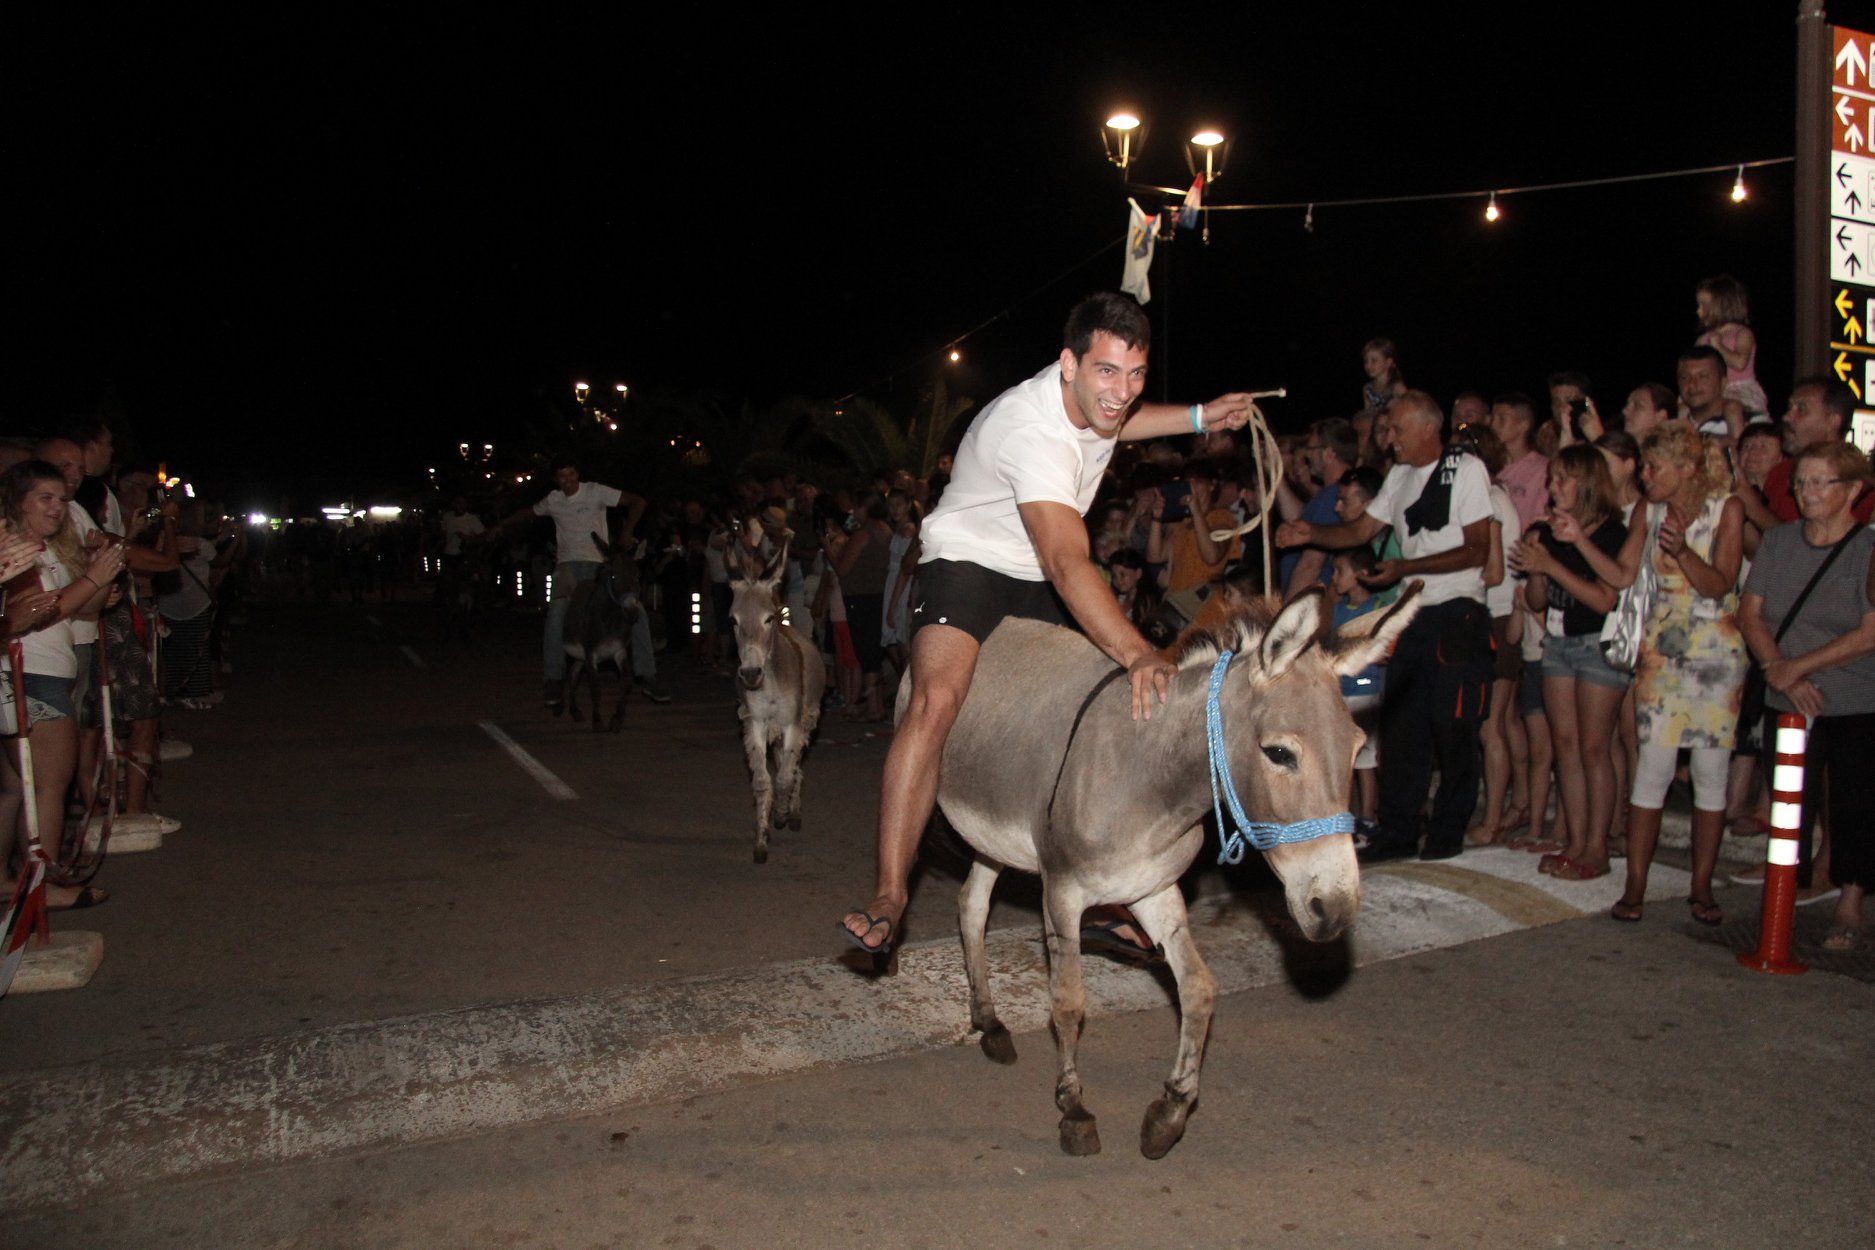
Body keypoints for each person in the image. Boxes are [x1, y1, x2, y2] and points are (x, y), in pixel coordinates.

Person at [838, 292, 1252, 953]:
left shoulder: (1101, 402)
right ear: (1068, 363)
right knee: (934, 703)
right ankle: (891, 891)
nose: (1121, 392)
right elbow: (1066, 561)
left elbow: (1121, 422)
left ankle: (1106, 890)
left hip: (1034, 569)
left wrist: (1201, 414)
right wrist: (1138, 650)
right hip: (969, 562)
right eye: (1106, 372)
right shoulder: (1030, 431)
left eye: (1135, 373)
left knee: (1099, 710)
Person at [1276, 390, 1494, 862]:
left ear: (1426, 428)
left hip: (1457, 610)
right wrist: (1310, 533)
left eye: (1396, 429)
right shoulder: (1400, 476)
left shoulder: (1467, 471)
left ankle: (1446, 831)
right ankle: (1398, 830)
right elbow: (1359, 532)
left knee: (1453, 726)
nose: (1388, 439)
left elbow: (1478, 549)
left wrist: (1406, 568)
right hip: (1414, 611)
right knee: (1404, 727)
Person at [1603, 422, 1747, 925]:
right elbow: (1622, 573)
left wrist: (1683, 550)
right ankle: (1635, 886)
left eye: (1653, 467)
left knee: (1710, 776)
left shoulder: (1727, 508)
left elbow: (1719, 583)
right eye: (1643, 466)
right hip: (1662, 651)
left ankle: (1701, 886)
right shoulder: (1648, 510)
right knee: (1653, 770)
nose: (1645, 476)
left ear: (1686, 469)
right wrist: (1576, 543)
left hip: (1715, 654)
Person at [1737, 441, 1875, 950]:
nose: (1807, 492)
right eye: (1801, 482)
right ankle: (1782, 894)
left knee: (1855, 801)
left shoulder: (1866, 549)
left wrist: (1799, 667)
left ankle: (1851, 900)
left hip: (1856, 697)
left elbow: (1869, 632)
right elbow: (1750, 612)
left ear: (1853, 490)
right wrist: (1781, 670)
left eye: (1821, 482)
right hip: (1787, 696)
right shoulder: (1780, 543)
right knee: (1790, 804)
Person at [0, 460, 126, 910]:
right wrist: (92, 578)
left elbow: (80, 611)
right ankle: (41, 884)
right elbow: (39, 612)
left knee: (18, 788)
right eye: (45, 499)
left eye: (62, 499)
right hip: (34, 674)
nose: (58, 508)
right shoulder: (14, 551)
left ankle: (9, 877)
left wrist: (97, 579)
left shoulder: (44, 547)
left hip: (43, 670)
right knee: (49, 787)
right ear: (18, 502)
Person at [1507, 446, 1629, 880]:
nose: (1553, 487)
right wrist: (1537, 568)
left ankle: (1597, 847)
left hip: (1598, 643)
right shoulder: (1547, 531)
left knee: (1596, 747)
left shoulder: (1612, 532)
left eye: (1563, 479)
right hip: (1557, 642)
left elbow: (1603, 596)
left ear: (1589, 483)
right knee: (1566, 747)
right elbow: (1539, 599)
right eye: (1552, 478)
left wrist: (1553, 563)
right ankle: (1576, 843)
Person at [495, 459, 668, 709]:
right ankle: (554, 678)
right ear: (556, 479)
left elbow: (638, 502)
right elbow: (528, 513)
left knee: (636, 609)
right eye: (563, 476)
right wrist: (502, 524)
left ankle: (647, 675)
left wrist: (627, 531)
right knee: (556, 612)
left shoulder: (595, 491)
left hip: (599, 564)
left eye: (572, 474)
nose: (568, 480)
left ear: (578, 474)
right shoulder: (553, 500)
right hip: (567, 566)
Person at [1330, 546, 1385, 834]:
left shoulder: (1375, 608)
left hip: (1364, 688)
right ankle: (1345, 816)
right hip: (1340, 691)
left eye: (1340, 571)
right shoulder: (1339, 609)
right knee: (1342, 759)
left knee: (1364, 756)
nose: (1334, 577)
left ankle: (1367, 817)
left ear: (1360, 575)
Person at [1695, 274, 1768, 416]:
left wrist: (1719, 347)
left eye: (1703, 306)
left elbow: (1740, 363)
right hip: (1714, 390)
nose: (1698, 311)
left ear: (1722, 305)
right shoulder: (1702, 340)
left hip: (1738, 391)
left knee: (1732, 408)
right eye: (1698, 306)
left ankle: (1737, 436)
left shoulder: (1742, 333)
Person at [1676, 346, 1746, 445]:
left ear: (1723, 383)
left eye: (1703, 376)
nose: (1692, 384)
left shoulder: (1750, 424)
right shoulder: (1668, 426)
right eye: (1685, 377)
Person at [1360, 338, 1406, 414]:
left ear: (1388, 362)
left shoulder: (1397, 387)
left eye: (1374, 361)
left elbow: (1410, 408)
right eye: (1366, 361)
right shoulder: (1367, 389)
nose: (1368, 365)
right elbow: (1367, 415)